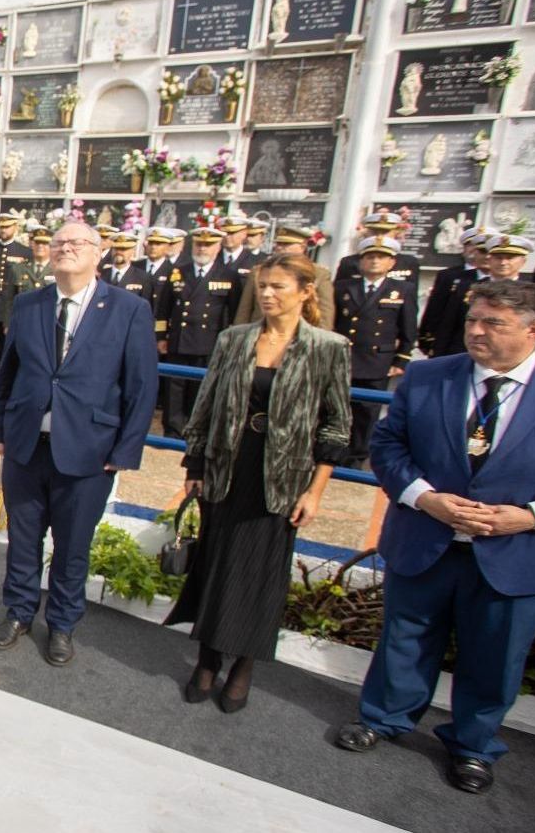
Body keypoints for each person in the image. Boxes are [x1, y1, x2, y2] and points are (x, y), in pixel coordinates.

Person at [337, 280, 535, 795]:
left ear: (533, 329)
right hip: (428, 535)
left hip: (514, 550)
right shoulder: (429, 376)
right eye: (473, 319)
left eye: (493, 323)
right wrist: (425, 497)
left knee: (496, 654)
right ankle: (383, 717)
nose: (475, 330)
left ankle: (473, 746)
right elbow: (387, 446)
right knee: (406, 637)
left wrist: (530, 517)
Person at [166, 253, 351, 711]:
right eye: (263, 286)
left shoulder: (328, 348)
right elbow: (205, 406)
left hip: (282, 480)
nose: (267, 295)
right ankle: (208, 659)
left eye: (278, 287)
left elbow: (335, 427)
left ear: (306, 292)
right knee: (217, 566)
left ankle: (244, 664)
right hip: (228, 469)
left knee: (261, 575)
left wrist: (316, 490)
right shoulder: (234, 339)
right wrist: (195, 468)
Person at [0, 222, 157, 665]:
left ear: (98, 254)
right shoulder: (29, 304)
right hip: (27, 447)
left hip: (88, 451)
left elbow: (141, 387)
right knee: (23, 540)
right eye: (59, 243)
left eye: (76, 243)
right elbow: (7, 373)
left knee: (72, 545)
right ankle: (20, 612)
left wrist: (123, 452)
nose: (65, 249)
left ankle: (62, 624)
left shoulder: (128, 309)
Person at [334, 235, 418, 466]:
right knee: (338, 409)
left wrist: (401, 360)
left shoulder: (401, 290)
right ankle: (334, 453)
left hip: (377, 361)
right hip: (345, 359)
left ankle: (357, 457)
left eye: (381, 257)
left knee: (367, 414)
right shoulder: (343, 287)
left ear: (392, 263)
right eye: (370, 257)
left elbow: (409, 328)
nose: (374, 261)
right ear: (361, 262)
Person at [161, 227, 243, 439]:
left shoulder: (228, 275)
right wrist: (161, 337)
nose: (202, 248)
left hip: (209, 342)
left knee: (200, 388)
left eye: (208, 245)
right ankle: (172, 429)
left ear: (218, 247)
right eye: (199, 244)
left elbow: (234, 313)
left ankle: (194, 428)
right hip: (179, 339)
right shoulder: (179, 271)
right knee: (174, 387)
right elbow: (163, 308)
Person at [233, 225, 335, 329]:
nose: (280, 247)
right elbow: (244, 311)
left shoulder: (319, 274)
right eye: (278, 243)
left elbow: (325, 315)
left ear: (303, 246)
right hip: (260, 334)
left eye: (286, 244)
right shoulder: (258, 271)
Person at [419, 228, 486, 356]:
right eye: (470, 244)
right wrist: (428, 338)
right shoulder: (450, 275)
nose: (474, 249)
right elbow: (435, 309)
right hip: (451, 343)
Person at [337, 212, 421, 299]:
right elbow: (338, 294)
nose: (379, 236)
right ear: (366, 232)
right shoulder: (349, 262)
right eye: (374, 232)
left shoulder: (408, 262)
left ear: (396, 233)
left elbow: (411, 297)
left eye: (385, 232)